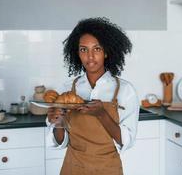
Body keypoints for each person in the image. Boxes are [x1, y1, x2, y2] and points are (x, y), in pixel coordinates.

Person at [46, 17, 139, 175]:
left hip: (107, 168)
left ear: (107, 52)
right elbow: (60, 142)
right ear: (77, 54)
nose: (90, 56)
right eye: (83, 49)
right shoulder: (67, 89)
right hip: (73, 166)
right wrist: (58, 123)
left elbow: (126, 141)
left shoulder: (124, 90)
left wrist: (102, 114)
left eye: (97, 49)